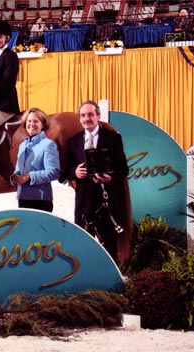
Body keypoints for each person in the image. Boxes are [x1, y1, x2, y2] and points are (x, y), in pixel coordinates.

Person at [64, 100, 129, 263]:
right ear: (80, 119)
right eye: (83, 115)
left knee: (109, 248)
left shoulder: (113, 138)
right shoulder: (73, 142)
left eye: (90, 114)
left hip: (107, 202)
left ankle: (112, 284)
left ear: (98, 116)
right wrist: (75, 172)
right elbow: (65, 171)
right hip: (83, 202)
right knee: (82, 246)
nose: (87, 118)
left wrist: (111, 178)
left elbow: (123, 169)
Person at [11, 108, 60, 212]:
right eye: (29, 121)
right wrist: (15, 177)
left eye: (36, 121)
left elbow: (54, 173)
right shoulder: (22, 145)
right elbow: (18, 169)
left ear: (43, 124)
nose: (31, 124)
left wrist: (29, 176)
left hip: (41, 200)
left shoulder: (48, 144)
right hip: (23, 198)